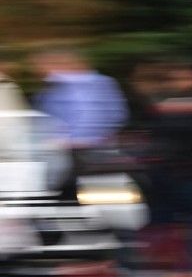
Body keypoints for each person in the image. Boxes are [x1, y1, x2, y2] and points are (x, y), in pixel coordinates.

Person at [31, 48, 128, 199]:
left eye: (45, 65)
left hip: (93, 150)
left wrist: (78, 139)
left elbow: (112, 114)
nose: (41, 70)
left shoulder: (98, 84)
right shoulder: (50, 90)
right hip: (61, 151)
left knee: (98, 194)